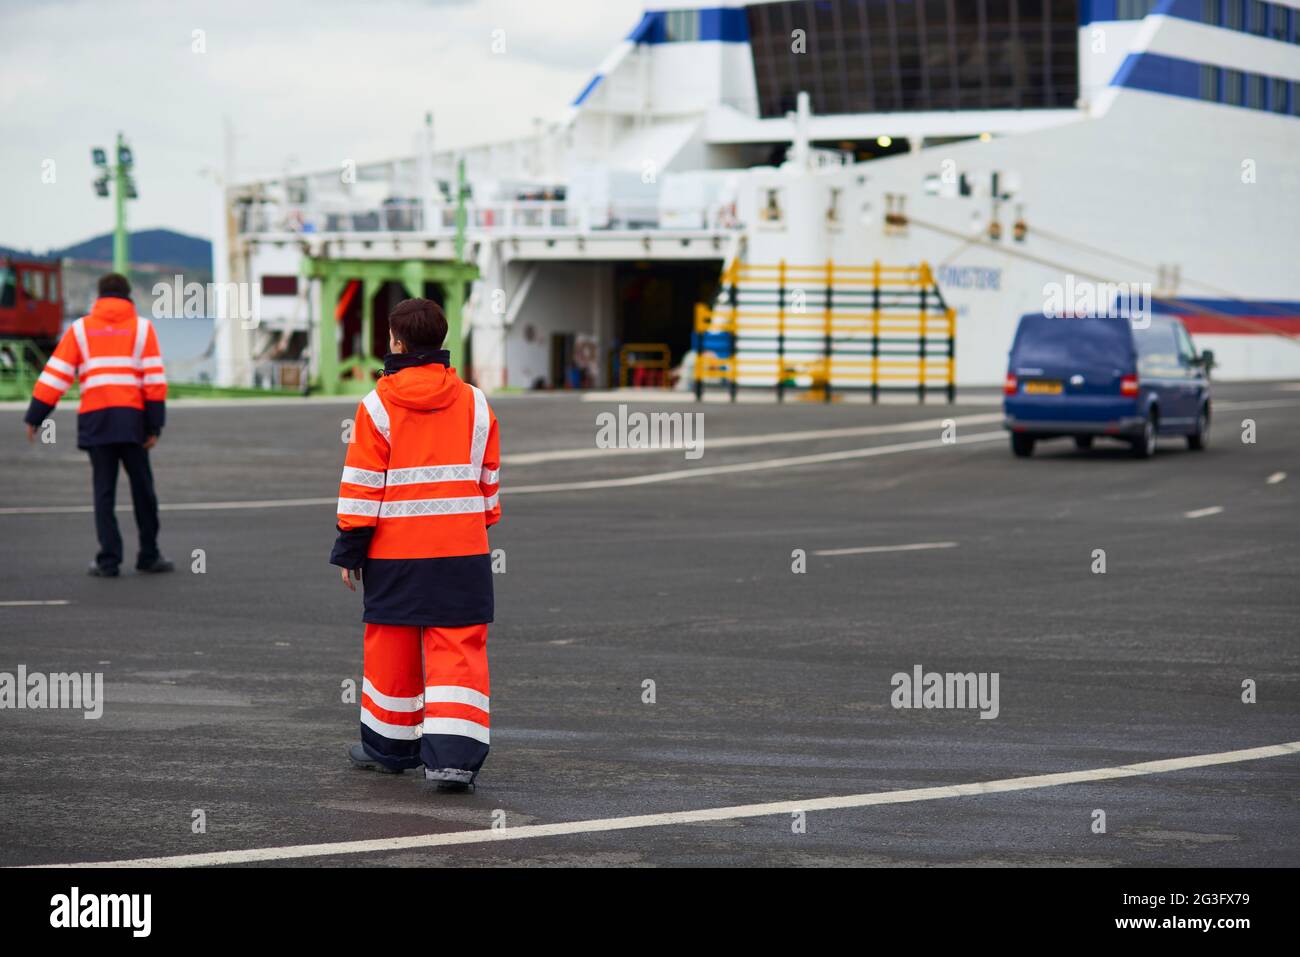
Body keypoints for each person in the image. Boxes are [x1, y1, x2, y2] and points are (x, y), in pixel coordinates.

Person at [330, 298, 500, 792]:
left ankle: (388, 748)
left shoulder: (376, 405)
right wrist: (478, 522)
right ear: (441, 341)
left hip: (395, 552)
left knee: (392, 645)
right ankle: (455, 759)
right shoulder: (476, 402)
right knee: (458, 648)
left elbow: (362, 484)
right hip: (461, 549)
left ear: (396, 342)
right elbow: (487, 478)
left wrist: (351, 548)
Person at [23, 272, 173, 577]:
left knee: (104, 492)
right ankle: (148, 555)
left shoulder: (80, 330)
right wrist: (154, 426)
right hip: (133, 421)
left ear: (99, 296)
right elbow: (154, 380)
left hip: (97, 420)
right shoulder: (143, 329)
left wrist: (35, 417)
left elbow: (56, 376)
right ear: (128, 295)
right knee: (143, 490)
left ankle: (108, 560)